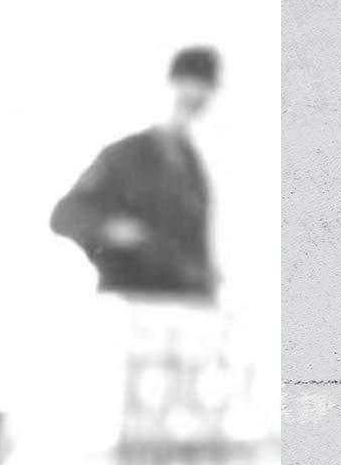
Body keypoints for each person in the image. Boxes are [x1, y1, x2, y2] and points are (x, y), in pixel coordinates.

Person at [49, 46, 222, 303]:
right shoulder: (123, 155)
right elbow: (66, 214)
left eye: (201, 97)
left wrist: (207, 281)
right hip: (131, 302)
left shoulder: (194, 171)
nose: (191, 105)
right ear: (170, 87)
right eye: (185, 94)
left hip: (187, 306)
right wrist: (110, 229)